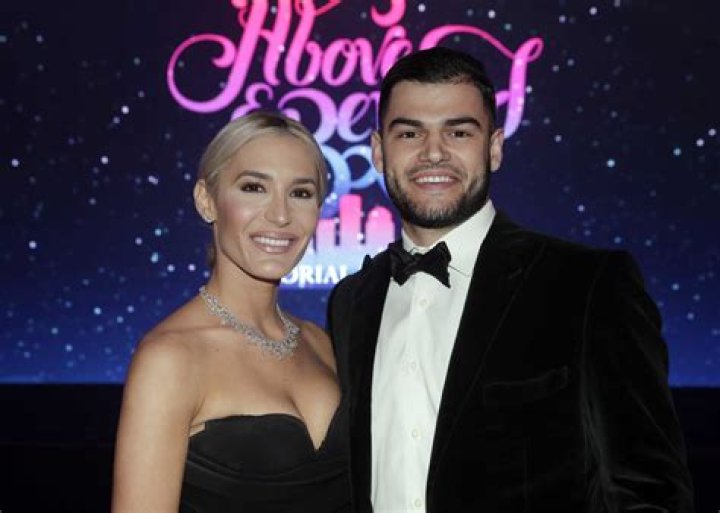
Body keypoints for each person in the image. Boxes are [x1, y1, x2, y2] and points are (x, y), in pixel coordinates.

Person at [328, 47, 694, 512]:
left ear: (495, 147)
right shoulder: (351, 302)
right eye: (410, 133)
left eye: (459, 132)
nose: (433, 152)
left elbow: (650, 491)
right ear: (380, 151)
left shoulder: (588, 286)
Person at [112, 111, 350, 512]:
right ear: (207, 201)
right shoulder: (170, 358)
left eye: (301, 193)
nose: (280, 215)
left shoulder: (320, 342)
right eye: (254, 187)